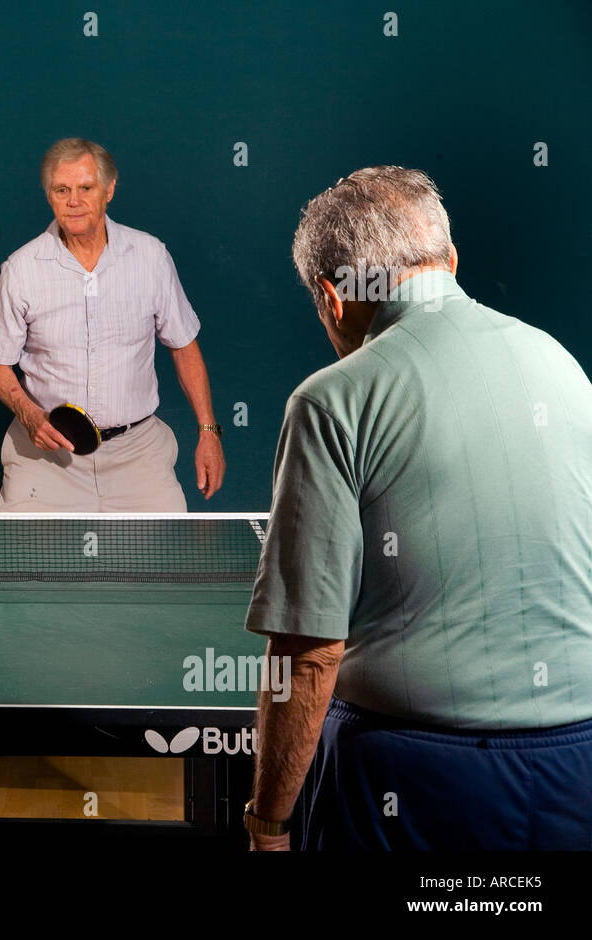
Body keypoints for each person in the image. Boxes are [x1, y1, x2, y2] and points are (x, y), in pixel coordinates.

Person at [243, 166, 592, 850]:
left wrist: (269, 824)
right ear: (450, 260)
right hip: (578, 764)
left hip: (416, 779)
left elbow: (307, 651)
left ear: (333, 298)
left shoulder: (331, 399)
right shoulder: (560, 365)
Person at [0, 137, 225, 512]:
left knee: (166, 568)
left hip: (138, 456)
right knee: (25, 569)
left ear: (109, 189)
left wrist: (208, 431)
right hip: (47, 460)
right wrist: (29, 414)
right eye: (62, 190)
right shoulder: (21, 270)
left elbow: (183, 344)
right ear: (49, 195)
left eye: (85, 188)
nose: (73, 201)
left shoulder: (150, 257)